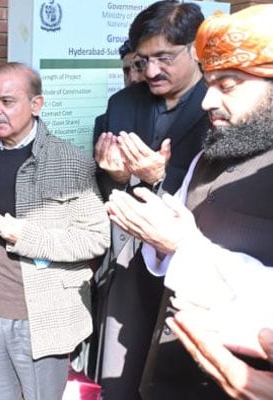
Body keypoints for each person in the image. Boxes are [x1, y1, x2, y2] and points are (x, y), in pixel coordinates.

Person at [104, 4, 273, 398]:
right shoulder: (209, 154)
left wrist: (183, 246)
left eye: (227, 85)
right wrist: (154, 227)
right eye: (209, 83)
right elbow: (167, 252)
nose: (206, 102)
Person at [0, 62, 110, 400]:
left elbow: (95, 237)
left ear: (36, 105)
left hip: (44, 317)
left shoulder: (71, 161)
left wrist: (25, 237)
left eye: (7, 101)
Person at [91, 1, 210, 398]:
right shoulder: (123, 104)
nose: (152, 71)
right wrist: (117, 176)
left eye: (164, 58)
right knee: (119, 379)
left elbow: (220, 186)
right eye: (143, 60)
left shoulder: (219, 105)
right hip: (128, 268)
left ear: (195, 50)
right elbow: (105, 187)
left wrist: (161, 178)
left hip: (193, 269)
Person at [92, 39, 145, 141]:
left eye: (139, 67)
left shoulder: (174, 116)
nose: (133, 78)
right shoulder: (103, 122)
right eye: (126, 71)